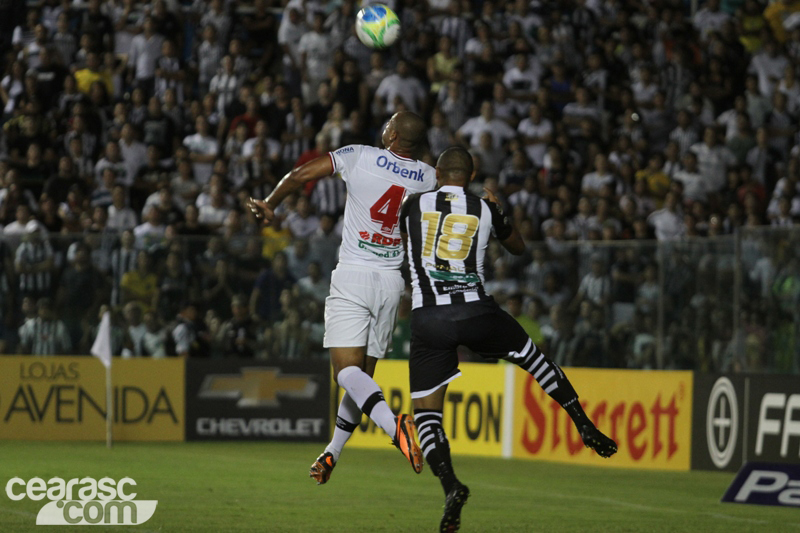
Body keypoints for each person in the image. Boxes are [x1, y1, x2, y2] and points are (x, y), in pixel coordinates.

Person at [399, 147, 618, 532]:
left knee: (427, 415)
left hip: (430, 317)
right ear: (472, 175)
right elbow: (518, 247)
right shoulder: (485, 208)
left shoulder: (412, 204)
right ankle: (582, 422)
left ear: (437, 172)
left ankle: (451, 486)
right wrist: (499, 211)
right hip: (477, 312)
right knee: (536, 360)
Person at [248, 111, 437, 484]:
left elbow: (302, 173)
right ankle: (333, 451)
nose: (383, 126)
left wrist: (271, 202)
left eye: (388, 123)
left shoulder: (360, 155)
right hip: (390, 283)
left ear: (394, 135)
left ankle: (394, 424)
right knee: (361, 380)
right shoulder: (428, 177)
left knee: (346, 373)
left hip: (353, 274)